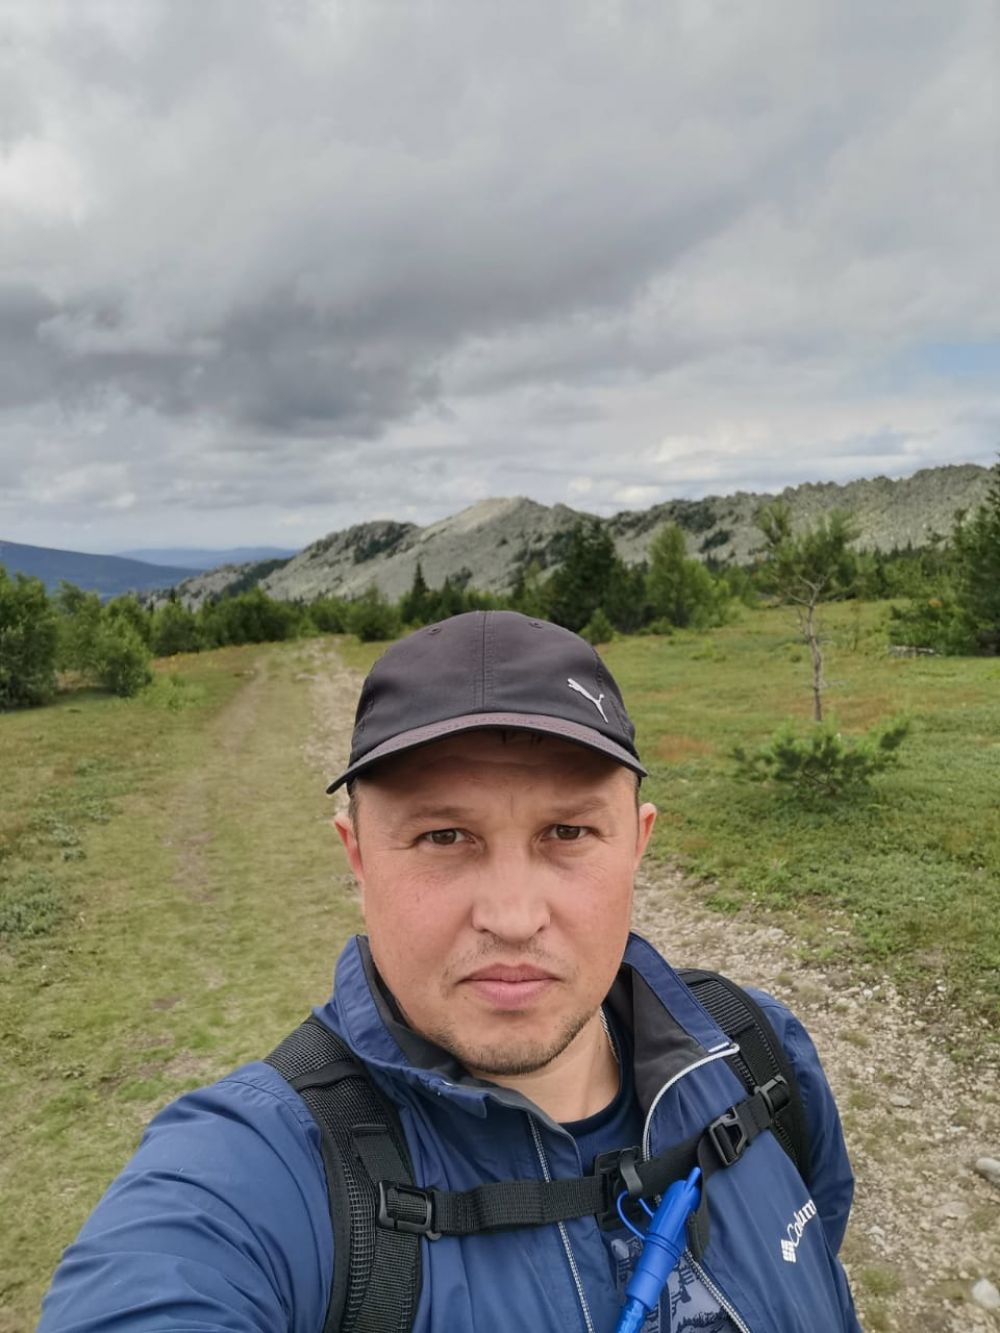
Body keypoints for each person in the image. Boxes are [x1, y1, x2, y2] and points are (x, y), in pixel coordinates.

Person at [39, 610, 861, 1332]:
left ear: (638, 843)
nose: (513, 915)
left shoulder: (757, 1054)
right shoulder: (255, 1173)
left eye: (568, 832)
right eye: (443, 837)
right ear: (358, 855)